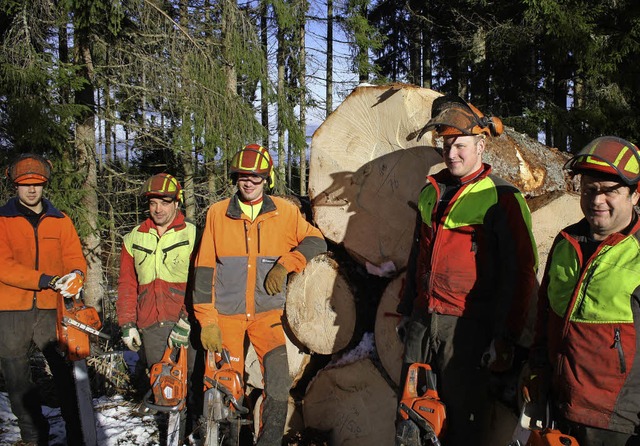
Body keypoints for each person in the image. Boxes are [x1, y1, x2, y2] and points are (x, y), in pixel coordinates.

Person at [397, 96, 538, 445]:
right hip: (422, 319)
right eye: (446, 145)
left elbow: (520, 271)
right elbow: (417, 255)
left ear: (480, 144)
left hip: (466, 329)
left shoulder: (502, 197)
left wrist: (505, 335)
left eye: (460, 145)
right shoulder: (431, 192)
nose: (452, 153)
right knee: (410, 416)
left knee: (462, 425)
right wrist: (406, 310)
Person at [193, 144, 326, 446]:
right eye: (242, 176)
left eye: (256, 177)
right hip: (226, 317)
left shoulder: (285, 213)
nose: (249, 182)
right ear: (235, 178)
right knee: (221, 389)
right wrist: (207, 321)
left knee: (279, 386)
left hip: (267, 316)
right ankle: (221, 441)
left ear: (267, 179)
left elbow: (316, 240)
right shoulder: (217, 214)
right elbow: (203, 271)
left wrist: (286, 264)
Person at [524, 136, 640, 446]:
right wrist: (538, 370)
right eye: (589, 190)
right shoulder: (566, 242)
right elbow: (546, 317)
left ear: (635, 194)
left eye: (609, 191)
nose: (596, 200)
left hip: (616, 422)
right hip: (558, 407)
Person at [0, 153, 87, 445]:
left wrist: (75, 275)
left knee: (66, 375)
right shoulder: (2, 220)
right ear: (15, 185)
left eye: (37, 183)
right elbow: (3, 265)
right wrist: (45, 280)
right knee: (17, 379)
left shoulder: (61, 221)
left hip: (52, 309)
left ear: (44, 184)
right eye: (25, 184)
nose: (32, 189)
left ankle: (76, 432)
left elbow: (76, 258)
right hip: (11, 309)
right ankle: (33, 435)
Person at [116, 173, 200, 437]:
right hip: (151, 324)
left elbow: (202, 281)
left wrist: (188, 319)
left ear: (177, 203)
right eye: (154, 203)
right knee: (164, 387)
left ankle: (193, 435)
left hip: (185, 322)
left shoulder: (193, 234)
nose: (159, 208)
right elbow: (127, 284)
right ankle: (169, 436)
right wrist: (127, 323)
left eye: (165, 202)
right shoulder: (133, 239)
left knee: (193, 385)